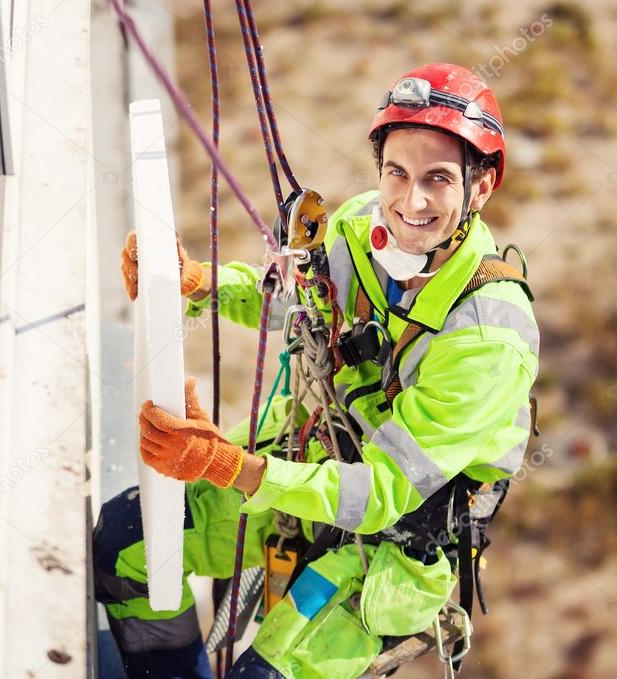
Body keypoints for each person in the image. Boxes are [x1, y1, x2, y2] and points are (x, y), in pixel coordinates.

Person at [95, 63, 539, 678]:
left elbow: (381, 493)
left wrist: (236, 468)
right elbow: (295, 300)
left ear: (481, 186)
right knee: (124, 543)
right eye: (397, 173)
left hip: (389, 553)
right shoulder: (362, 229)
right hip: (305, 472)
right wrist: (198, 284)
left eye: (438, 180)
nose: (410, 202)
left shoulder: (489, 336)